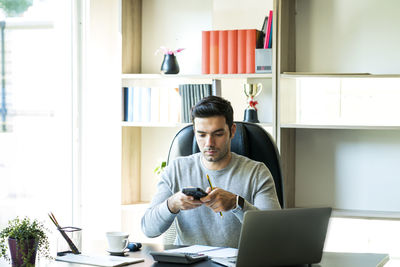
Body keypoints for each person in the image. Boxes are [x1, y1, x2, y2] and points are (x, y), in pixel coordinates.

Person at [141, 96, 281, 248]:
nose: (209, 143)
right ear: (194, 132)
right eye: (202, 135)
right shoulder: (176, 170)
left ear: (232, 131)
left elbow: (273, 234)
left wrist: (237, 204)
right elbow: (148, 229)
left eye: (218, 134)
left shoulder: (257, 173)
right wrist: (172, 204)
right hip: (188, 263)